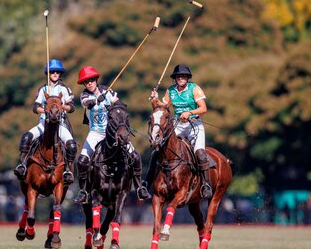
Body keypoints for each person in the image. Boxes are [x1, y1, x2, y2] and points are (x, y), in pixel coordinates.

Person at [73, 66, 150, 204]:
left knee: (135, 156)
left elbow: (120, 104)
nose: (89, 83)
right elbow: (88, 104)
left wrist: (113, 107)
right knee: (82, 160)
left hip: (113, 134)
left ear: (96, 80)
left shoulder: (107, 91)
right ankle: (84, 191)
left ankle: (139, 187)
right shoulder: (84, 95)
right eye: (86, 82)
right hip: (95, 133)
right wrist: (98, 100)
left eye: (91, 80)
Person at [147, 64, 212, 198]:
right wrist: (154, 99)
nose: (181, 78)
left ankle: (206, 184)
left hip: (194, 125)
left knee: (200, 153)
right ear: (175, 78)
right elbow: (161, 107)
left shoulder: (194, 88)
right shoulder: (171, 91)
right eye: (178, 76)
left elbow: (203, 108)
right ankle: (146, 184)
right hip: (178, 125)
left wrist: (189, 112)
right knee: (157, 151)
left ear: (187, 77)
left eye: (183, 76)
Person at [14, 59, 77, 185]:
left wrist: (60, 107)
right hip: (44, 123)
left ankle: (68, 172)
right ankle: (23, 165)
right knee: (26, 138)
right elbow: (35, 107)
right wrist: (45, 110)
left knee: (71, 145)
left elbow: (72, 108)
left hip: (60, 124)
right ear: (48, 73)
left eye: (57, 72)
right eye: (52, 71)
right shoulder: (43, 89)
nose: (54, 74)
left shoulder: (64, 89)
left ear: (60, 74)